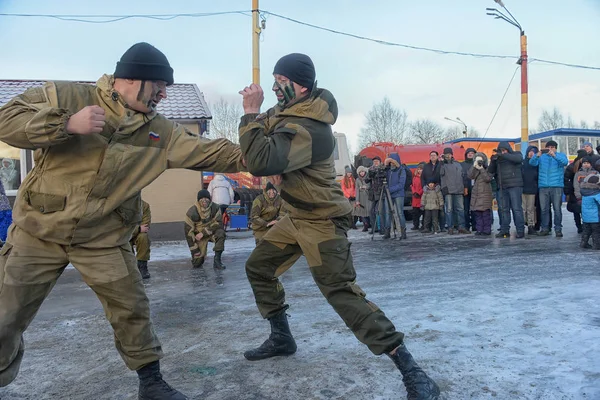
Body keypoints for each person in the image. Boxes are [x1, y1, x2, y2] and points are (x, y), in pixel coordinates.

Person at [0, 42, 245, 399]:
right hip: (39, 230)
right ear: (129, 78)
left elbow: (213, 152)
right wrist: (66, 123)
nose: (164, 93)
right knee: (5, 313)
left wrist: (262, 154)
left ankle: (151, 383)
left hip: (103, 237)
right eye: (159, 84)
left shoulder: (161, 131)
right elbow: (7, 119)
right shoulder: (66, 95)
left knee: (131, 309)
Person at [237, 53, 440, 399]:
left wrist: (250, 114)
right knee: (258, 267)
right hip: (295, 218)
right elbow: (260, 141)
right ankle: (282, 336)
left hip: (322, 223)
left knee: (342, 294)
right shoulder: (287, 113)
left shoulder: (312, 130)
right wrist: (258, 124)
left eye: (280, 81)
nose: (273, 88)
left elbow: (259, 159)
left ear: (300, 86)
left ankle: (412, 370)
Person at [529, 140, 569, 237]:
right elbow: (532, 163)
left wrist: (554, 155)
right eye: (548, 147)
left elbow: (565, 162)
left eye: (552, 147)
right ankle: (545, 228)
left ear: (555, 148)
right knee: (544, 209)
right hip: (543, 186)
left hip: (557, 186)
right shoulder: (542, 157)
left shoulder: (560, 155)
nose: (550, 149)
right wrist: (536, 155)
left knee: (557, 209)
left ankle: (558, 229)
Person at [488, 142, 525, 238]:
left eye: (504, 150)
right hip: (502, 186)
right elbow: (490, 171)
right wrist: (493, 161)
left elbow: (519, 159)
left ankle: (520, 230)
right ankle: (504, 230)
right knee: (503, 209)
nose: (502, 152)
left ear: (508, 149)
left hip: (515, 186)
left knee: (516, 208)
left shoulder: (516, 154)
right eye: (501, 150)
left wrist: (504, 155)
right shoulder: (498, 159)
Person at [184, 190, 227, 270]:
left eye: (206, 198)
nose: (204, 200)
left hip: (211, 233)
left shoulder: (216, 208)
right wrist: (195, 250)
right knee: (197, 264)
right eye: (202, 199)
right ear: (198, 200)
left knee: (221, 233)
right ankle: (199, 258)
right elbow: (188, 233)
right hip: (198, 237)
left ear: (210, 199)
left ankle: (217, 260)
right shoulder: (192, 212)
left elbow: (219, 223)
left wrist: (204, 233)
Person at [440, 148, 469, 234]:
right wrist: (441, 162)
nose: (448, 155)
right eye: (446, 154)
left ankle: (461, 227)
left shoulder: (458, 164)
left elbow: (463, 176)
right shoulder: (442, 165)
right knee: (449, 209)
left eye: (449, 154)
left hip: (459, 190)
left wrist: (465, 187)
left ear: (452, 154)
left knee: (460, 209)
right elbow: (440, 174)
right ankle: (450, 227)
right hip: (448, 190)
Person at [383, 153, 408, 239]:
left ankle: (403, 232)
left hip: (398, 194)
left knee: (400, 213)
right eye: (390, 162)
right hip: (389, 194)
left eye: (393, 162)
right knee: (387, 213)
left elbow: (401, 185)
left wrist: (389, 190)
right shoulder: (388, 171)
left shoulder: (401, 170)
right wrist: (385, 165)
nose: (392, 164)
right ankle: (387, 232)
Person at [468, 153, 493, 236]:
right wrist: (474, 166)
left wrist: (481, 168)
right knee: (478, 213)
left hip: (485, 193)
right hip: (476, 194)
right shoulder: (475, 168)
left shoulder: (488, 168)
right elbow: (470, 176)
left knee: (485, 214)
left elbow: (488, 178)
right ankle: (479, 229)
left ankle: (486, 230)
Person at [564, 149, 588, 234]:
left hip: (573, 191)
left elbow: (566, 180)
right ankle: (582, 227)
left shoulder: (572, 166)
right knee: (580, 210)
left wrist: (567, 192)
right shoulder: (574, 167)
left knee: (576, 210)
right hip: (576, 191)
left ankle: (580, 227)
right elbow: (566, 180)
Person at [130, 199, 152, 279]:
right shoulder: (119, 205)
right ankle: (129, 267)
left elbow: (145, 226)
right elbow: (119, 227)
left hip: (136, 234)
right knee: (124, 241)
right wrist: (138, 229)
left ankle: (142, 266)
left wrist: (136, 230)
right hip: (122, 235)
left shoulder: (144, 205)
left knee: (143, 237)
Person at [579, 174, 600, 249]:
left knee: (586, 231)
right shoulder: (596, 193)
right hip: (595, 218)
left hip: (586, 218)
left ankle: (583, 243)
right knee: (596, 232)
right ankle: (597, 245)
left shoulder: (584, 193)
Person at [522, 145, 539, 235]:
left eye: (533, 151)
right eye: (530, 151)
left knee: (531, 209)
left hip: (532, 189)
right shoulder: (522, 163)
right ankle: (523, 224)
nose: (531, 153)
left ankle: (531, 226)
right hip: (522, 189)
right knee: (523, 209)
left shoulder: (537, 164)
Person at [461, 148, 476, 231]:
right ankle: (466, 225)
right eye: (469, 153)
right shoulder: (462, 164)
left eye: (472, 153)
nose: (470, 154)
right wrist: (464, 187)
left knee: (474, 209)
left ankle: (475, 225)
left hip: (475, 190)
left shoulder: (476, 164)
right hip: (465, 189)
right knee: (465, 209)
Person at [354, 166, 371, 232]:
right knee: (362, 212)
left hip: (368, 196)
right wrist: (357, 200)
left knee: (369, 210)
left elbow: (370, 186)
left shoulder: (368, 178)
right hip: (361, 197)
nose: (362, 173)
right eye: (360, 172)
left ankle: (370, 224)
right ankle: (365, 225)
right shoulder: (357, 180)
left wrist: (366, 187)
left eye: (362, 171)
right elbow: (357, 190)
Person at [411, 162, 425, 231]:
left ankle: (423, 225)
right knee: (415, 213)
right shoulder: (414, 177)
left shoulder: (424, 178)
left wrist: (419, 193)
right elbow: (412, 186)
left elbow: (424, 187)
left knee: (423, 213)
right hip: (415, 198)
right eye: (419, 169)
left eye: (421, 169)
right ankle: (415, 225)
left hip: (421, 197)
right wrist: (414, 192)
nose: (420, 171)